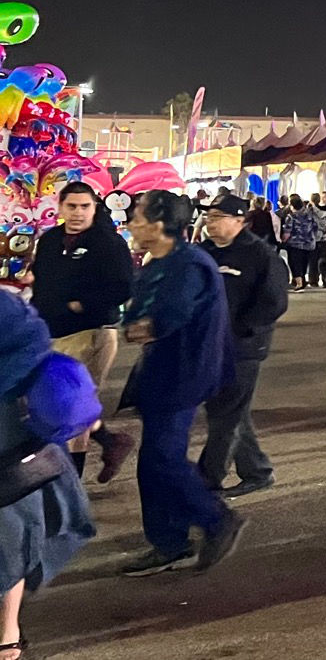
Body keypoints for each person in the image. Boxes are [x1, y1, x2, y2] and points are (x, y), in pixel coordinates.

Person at [119, 190, 249, 576]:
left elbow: (168, 316)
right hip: (160, 374)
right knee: (153, 461)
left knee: (163, 459)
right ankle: (169, 540)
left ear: (158, 225)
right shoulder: (157, 262)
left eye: (138, 217)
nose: (132, 224)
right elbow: (136, 316)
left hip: (183, 375)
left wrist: (146, 327)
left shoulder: (188, 264)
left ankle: (215, 520)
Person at [0, 288, 96, 656]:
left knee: (11, 534)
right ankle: (7, 635)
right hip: (14, 444)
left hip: (10, 443)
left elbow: (33, 342)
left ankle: (8, 633)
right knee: (12, 534)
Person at [27, 182, 135, 481]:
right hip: (51, 334)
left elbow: (123, 287)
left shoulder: (108, 243)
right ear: (60, 207)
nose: (77, 213)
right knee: (60, 404)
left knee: (72, 409)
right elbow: (42, 285)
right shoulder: (49, 241)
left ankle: (69, 483)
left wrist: (81, 304)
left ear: (94, 208)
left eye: (84, 206)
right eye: (71, 206)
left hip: (91, 332)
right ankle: (111, 441)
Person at [194, 193, 290, 497]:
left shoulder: (260, 255)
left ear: (239, 221)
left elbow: (274, 301)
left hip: (243, 347)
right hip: (208, 345)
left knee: (226, 413)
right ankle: (257, 470)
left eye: (217, 217)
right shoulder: (203, 252)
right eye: (208, 217)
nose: (210, 223)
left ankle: (205, 480)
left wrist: (243, 328)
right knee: (229, 411)